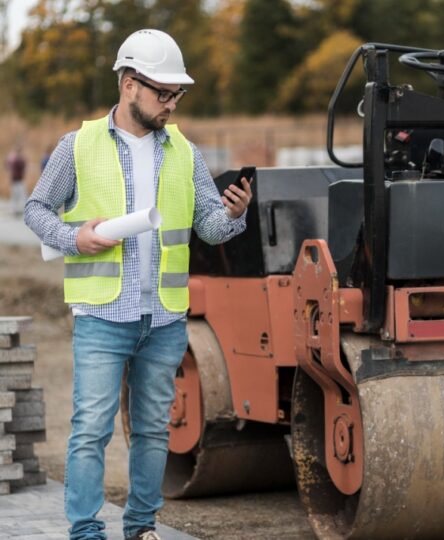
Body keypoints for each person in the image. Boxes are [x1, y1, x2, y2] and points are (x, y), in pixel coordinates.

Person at [24, 29, 252, 540]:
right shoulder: (77, 146)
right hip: (102, 315)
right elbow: (34, 209)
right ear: (129, 85)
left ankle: (141, 527)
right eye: (162, 93)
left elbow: (207, 227)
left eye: (177, 94)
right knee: (90, 431)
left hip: (165, 317)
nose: (172, 103)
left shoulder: (185, 153)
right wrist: (71, 237)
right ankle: (86, 531)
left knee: (152, 431)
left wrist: (233, 215)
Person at [6, 145, 26, 217]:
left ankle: (15, 209)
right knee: (18, 195)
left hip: (16, 179)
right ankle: (15, 209)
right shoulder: (16, 159)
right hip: (16, 179)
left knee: (18, 195)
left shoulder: (11, 158)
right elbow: (23, 165)